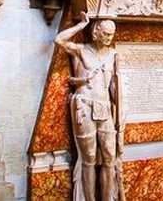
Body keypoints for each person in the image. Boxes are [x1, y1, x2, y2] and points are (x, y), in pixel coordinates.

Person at [54, 13, 124, 201]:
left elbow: (113, 86)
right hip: (84, 106)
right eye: (106, 33)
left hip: (104, 108)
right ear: (95, 33)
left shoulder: (112, 55)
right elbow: (59, 39)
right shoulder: (81, 51)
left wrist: (121, 108)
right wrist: (82, 25)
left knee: (110, 156)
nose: (109, 37)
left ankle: (107, 198)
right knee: (89, 157)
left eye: (112, 34)